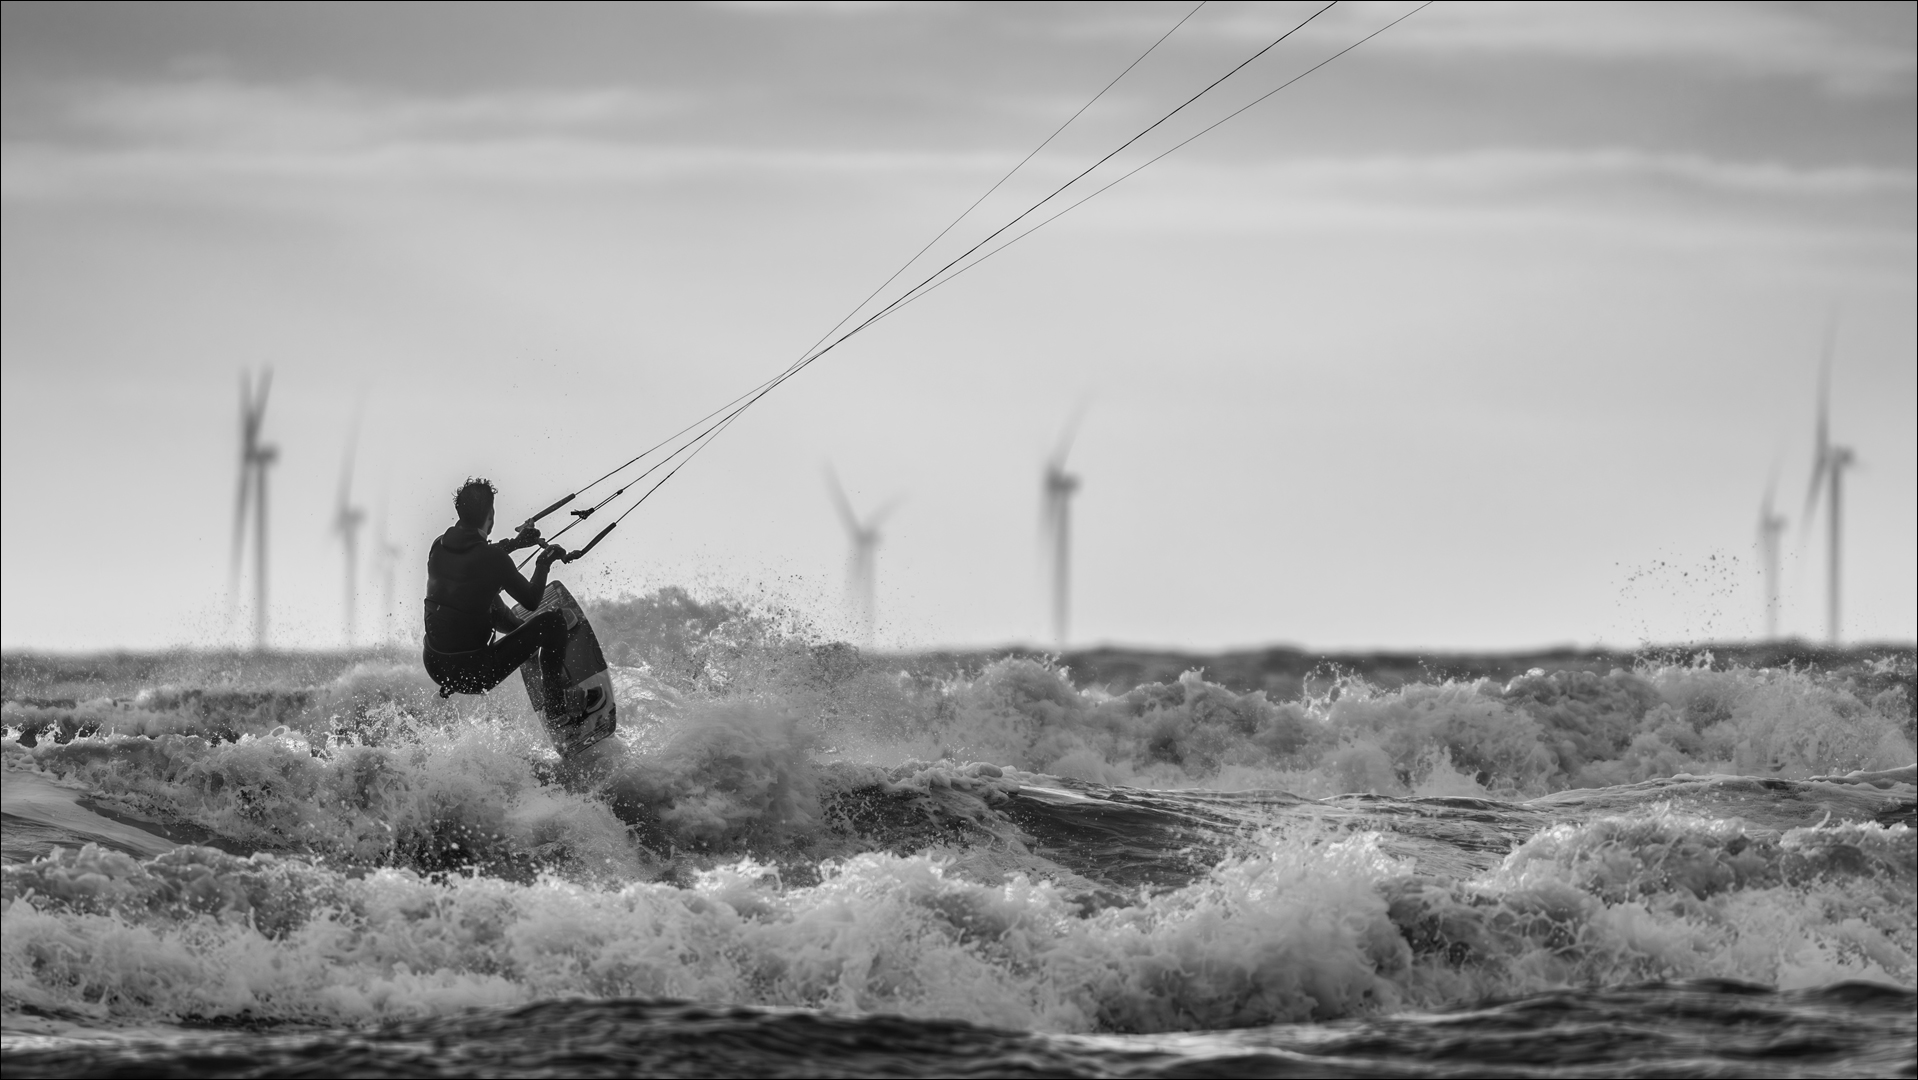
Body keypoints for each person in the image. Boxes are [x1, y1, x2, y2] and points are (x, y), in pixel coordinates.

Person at [422, 477, 579, 712]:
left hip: (435, 665)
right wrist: (545, 561)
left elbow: (473, 561)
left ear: (460, 512)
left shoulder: (439, 546)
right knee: (553, 624)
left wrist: (514, 544)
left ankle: (525, 644)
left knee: (482, 596)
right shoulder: (493, 560)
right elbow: (531, 600)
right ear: (490, 516)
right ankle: (558, 709)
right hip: (475, 673)